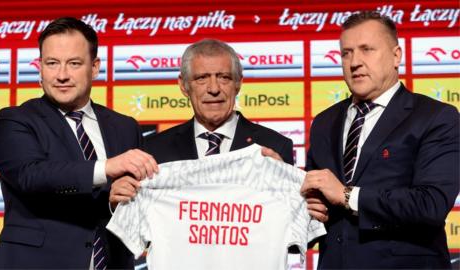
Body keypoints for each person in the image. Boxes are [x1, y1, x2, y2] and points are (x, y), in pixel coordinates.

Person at [0, 17, 157, 269]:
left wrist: (116, 203)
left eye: (74, 63)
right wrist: (106, 167)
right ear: (40, 67)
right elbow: (30, 175)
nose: (62, 75)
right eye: (52, 63)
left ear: (95, 67)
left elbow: (142, 207)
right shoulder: (14, 120)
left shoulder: (125, 127)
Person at [301, 11, 459, 269]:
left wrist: (346, 195)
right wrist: (286, 189)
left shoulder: (436, 117)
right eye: (347, 53)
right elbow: (315, 208)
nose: (355, 62)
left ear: (396, 56)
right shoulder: (324, 122)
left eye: (367, 50)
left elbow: (430, 204)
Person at [110, 38, 295, 203]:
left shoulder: (275, 146)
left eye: (224, 77)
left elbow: (291, 224)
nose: (213, 88)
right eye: (202, 78)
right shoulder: (154, 150)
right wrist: (119, 204)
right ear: (184, 85)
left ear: (238, 83)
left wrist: (286, 188)